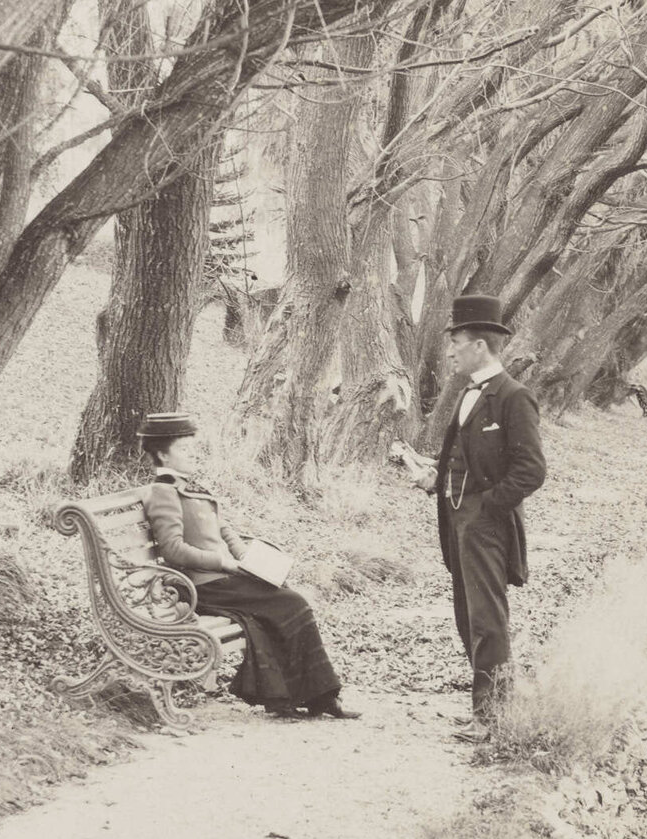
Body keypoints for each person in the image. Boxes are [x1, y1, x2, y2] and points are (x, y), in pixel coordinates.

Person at [138, 413, 359, 720]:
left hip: (222, 579)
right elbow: (173, 550)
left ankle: (305, 696)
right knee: (293, 604)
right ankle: (317, 697)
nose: (194, 454)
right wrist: (224, 562)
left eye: (193, 447)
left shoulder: (187, 486)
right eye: (185, 449)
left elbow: (222, 528)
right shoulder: (164, 491)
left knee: (282, 598)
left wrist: (246, 558)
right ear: (163, 454)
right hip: (203, 586)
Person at [410, 295, 547, 736]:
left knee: (488, 618)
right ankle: (489, 707)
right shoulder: (469, 392)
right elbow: (464, 457)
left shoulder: (513, 396)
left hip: (485, 524)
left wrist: (486, 507)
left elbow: (531, 470)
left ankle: (492, 718)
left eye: (456, 343)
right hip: (455, 520)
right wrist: (437, 476)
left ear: (480, 347)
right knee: (467, 614)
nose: (449, 352)